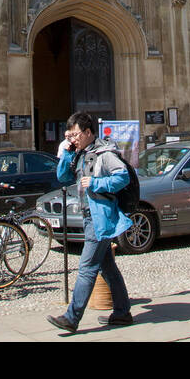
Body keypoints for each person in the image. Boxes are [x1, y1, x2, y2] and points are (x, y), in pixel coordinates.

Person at [47, 112, 133, 333]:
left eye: (75, 134)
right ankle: (122, 313)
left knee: (86, 268)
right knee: (108, 268)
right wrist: (66, 152)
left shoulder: (104, 153)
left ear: (87, 132)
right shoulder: (80, 154)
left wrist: (96, 182)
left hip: (100, 218)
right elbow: (63, 178)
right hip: (88, 217)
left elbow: (122, 176)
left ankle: (71, 318)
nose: (73, 138)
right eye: (69, 135)